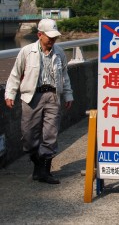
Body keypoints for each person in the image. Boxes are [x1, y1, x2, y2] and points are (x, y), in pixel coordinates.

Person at [5, 18, 74, 184]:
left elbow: (65, 75)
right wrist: (10, 93)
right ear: (40, 35)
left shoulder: (59, 53)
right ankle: (38, 166)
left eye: (54, 37)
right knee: (28, 136)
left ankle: (45, 171)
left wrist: (68, 94)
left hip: (52, 95)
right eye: (49, 36)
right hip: (31, 96)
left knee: (51, 134)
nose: (52, 40)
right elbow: (15, 73)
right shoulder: (27, 51)